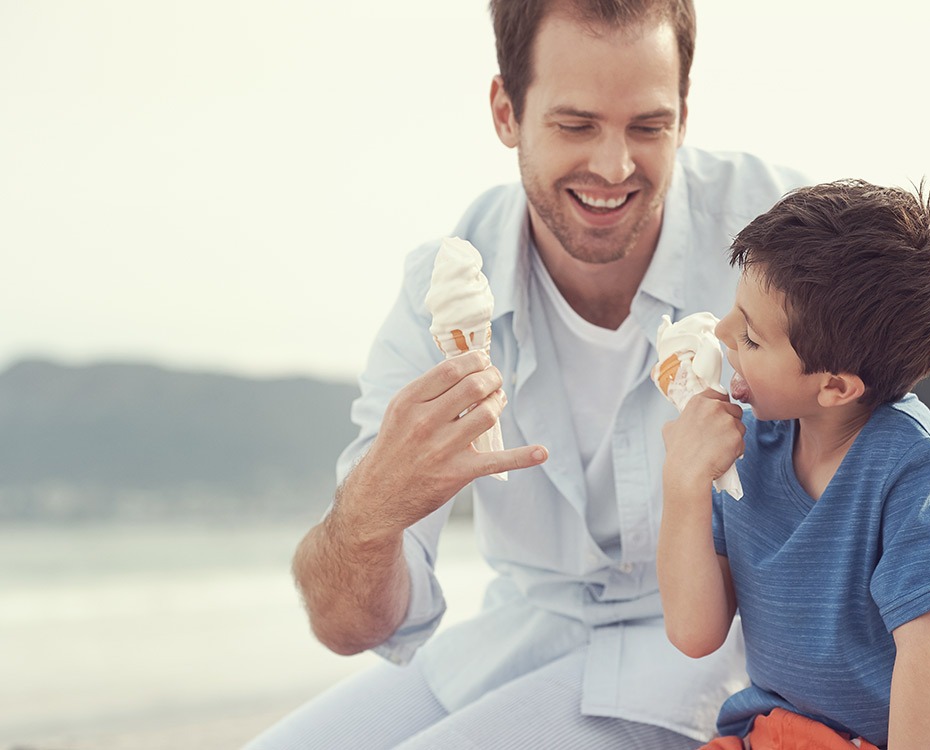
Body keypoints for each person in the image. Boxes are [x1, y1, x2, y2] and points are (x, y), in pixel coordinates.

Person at [245, 1, 807, 748]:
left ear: (683, 110)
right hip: (524, 634)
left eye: (648, 126)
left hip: (721, 652)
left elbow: (895, 470)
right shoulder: (440, 290)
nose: (614, 168)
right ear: (506, 112)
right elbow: (348, 627)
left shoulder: (782, 233)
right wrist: (373, 511)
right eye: (576, 125)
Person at [658, 180, 930, 749]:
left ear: (836, 387)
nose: (720, 335)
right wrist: (683, 482)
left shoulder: (910, 468)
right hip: (780, 730)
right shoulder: (744, 443)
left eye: (749, 335)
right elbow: (695, 632)